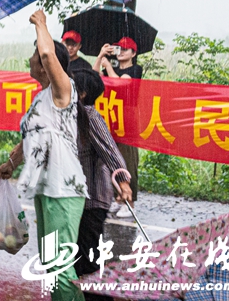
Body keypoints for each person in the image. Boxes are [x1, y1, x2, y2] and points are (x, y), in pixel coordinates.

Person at [0, 9, 87, 301]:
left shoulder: (64, 91)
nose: (32, 58)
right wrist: (11, 162)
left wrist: (42, 24)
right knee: (51, 266)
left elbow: (49, 56)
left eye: (35, 54)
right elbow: (31, 139)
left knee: (60, 269)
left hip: (64, 190)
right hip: (46, 190)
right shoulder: (41, 97)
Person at [71, 69, 133, 301]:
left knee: (88, 260)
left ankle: (101, 298)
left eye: (72, 85)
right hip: (79, 199)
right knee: (82, 257)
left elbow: (110, 151)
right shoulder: (72, 115)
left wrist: (124, 182)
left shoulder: (89, 116)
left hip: (93, 200)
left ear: (83, 94)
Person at [93, 36, 142, 216]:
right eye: (119, 49)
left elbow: (120, 84)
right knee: (112, 158)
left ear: (133, 53)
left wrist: (108, 66)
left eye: (126, 49)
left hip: (128, 121)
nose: (121, 52)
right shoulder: (110, 68)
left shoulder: (135, 69)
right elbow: (94, 77)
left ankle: (130, 202)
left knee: (128, 160)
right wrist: (100, 57)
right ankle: (117, 198)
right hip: (112, 118)